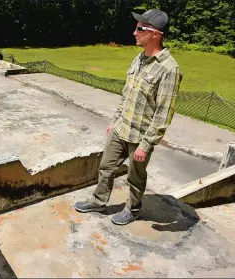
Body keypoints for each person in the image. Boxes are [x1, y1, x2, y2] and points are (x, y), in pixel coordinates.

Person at [74, 9, 183, 225]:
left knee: (135, 177)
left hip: (140, 136)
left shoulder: (169, 69)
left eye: (140, 28)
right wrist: (115, 121)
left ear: (155, 34)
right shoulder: (139, 59)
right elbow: (127, 95)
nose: (134, 32)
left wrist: (146, 144)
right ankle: (98, 201)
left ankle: (133, 209)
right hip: (121, 128)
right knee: (106, 167)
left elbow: (164, 113)